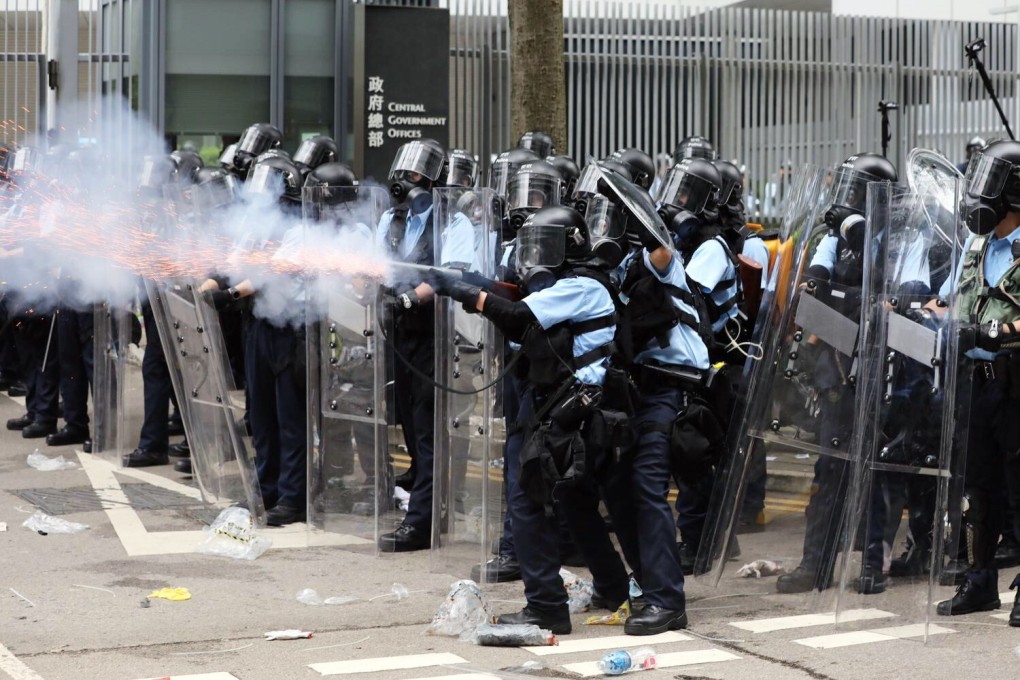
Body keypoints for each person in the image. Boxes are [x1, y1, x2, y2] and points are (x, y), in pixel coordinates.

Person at [431, 206, 630, 635]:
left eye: (543, 246)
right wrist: (471, 285)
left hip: (566, 414)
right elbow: (519, 303)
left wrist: (464, 292)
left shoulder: (580, 287)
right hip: (568, 412)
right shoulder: (570, 288)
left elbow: (519, 316)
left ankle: (545, 607)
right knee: (575, 507)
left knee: (528, 504)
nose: (535, 256)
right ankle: (614, 588)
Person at [775, 152, 899, 593]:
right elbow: (814, 284)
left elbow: (892, 287)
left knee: (874, 470)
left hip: (880, 371)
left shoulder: (895, 239)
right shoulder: (835, 238)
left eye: (853, 190)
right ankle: (815, 563)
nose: (844, 200)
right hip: (837, 368)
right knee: (829, 467)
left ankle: (870, 563)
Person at [933, 140, 1020, 625]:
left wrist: (996, 331)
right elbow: (950, 302)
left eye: (990, 183)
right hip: (977, 383)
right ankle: (979, 581)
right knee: (978, 490)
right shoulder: (974, 245)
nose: (978, 195)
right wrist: (921, 314)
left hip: (1017, 382)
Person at [376, 139, 447, 551]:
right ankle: (426, 507)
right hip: (398, 333)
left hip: (431, 337)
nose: (405, 178)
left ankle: (420, 522)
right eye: (403, 168)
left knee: (426, 429)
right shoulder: (392, 218)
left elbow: (448, 274)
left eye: (416, 171)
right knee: (405, 420)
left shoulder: (451, 220)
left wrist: (411, 295)